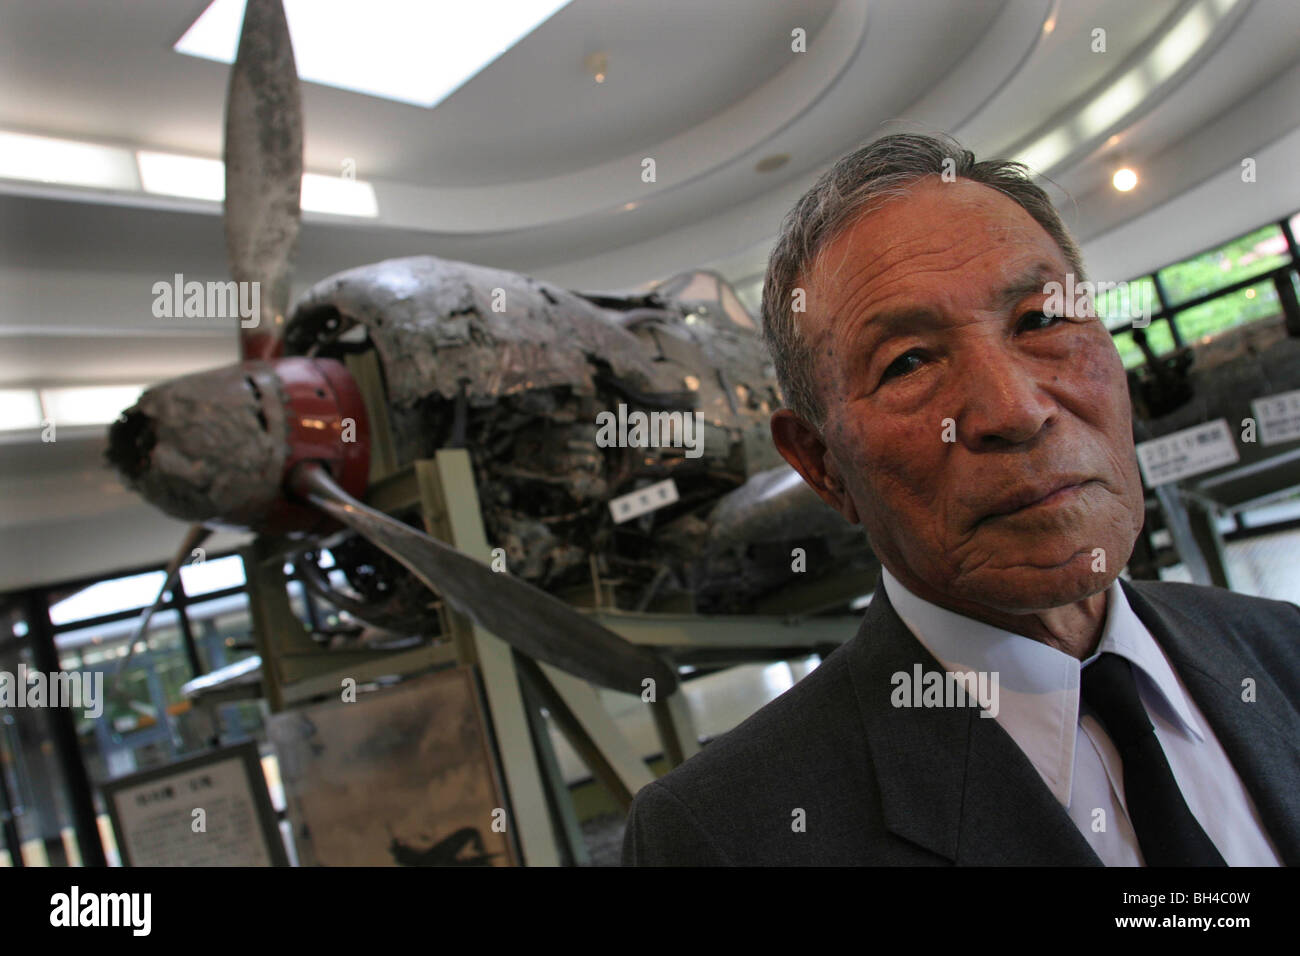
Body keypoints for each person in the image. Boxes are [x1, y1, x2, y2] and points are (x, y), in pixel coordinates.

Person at [621, 133, 1300, 866]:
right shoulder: (719, 837)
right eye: (908, 362)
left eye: (1042, 319)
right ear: (822, 466)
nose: (1013, 409)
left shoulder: (1283, 652)